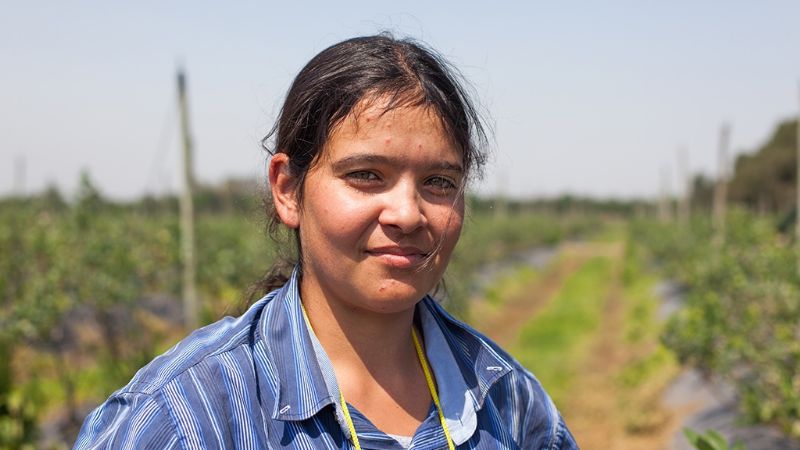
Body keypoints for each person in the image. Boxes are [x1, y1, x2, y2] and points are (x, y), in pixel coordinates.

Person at [74, 34, 578, 449]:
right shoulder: (185, 417)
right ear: (288, 190)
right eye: (365, 175)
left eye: (439, 182)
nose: (407, 213)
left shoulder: (509, 404)